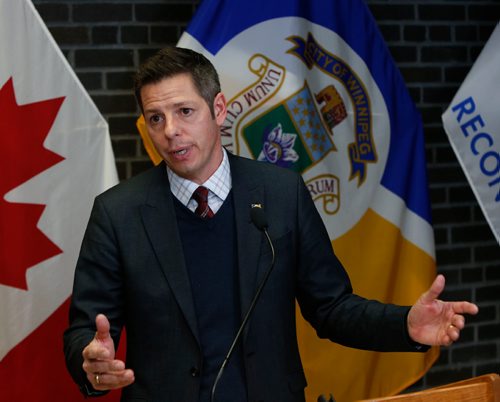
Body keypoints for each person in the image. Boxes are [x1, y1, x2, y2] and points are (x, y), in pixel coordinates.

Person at [63, 47, 479, 402]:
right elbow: (85, 330)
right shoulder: (117, 212)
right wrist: (90, 360)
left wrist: (405, 325)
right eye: (155, 118)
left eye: (184, 111)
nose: (171, 132)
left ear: (219, 110)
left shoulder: (282, 194)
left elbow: (331, 307)